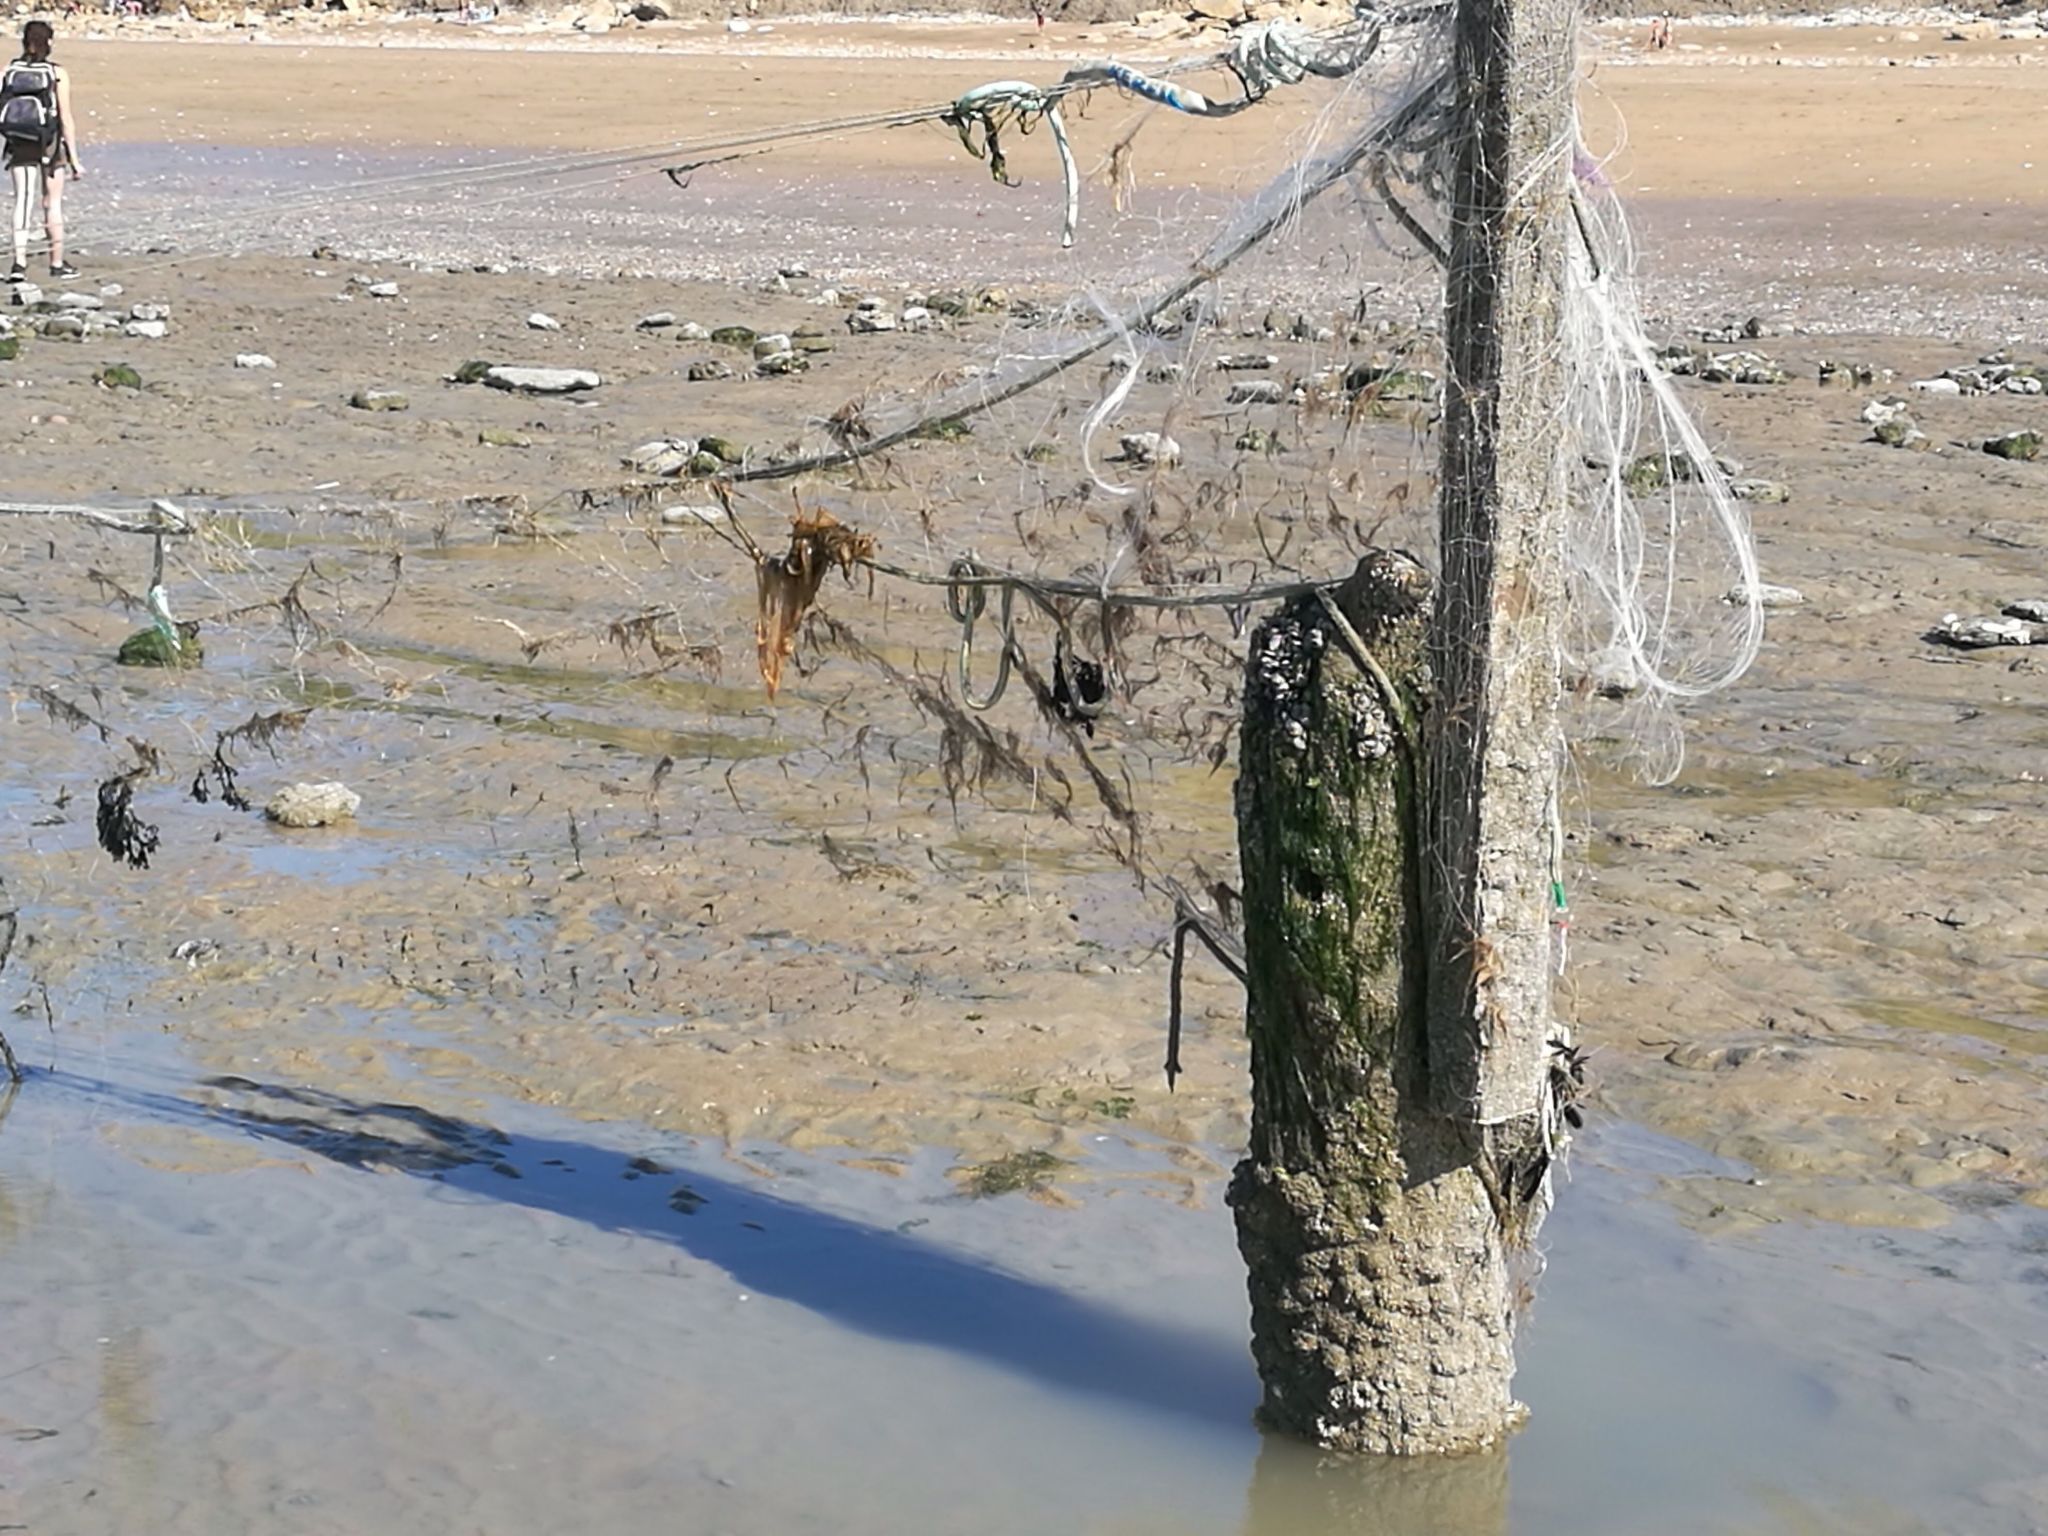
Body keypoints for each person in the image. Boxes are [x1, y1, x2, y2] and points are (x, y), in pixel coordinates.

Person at [1, 21, 82, 284]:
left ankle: (19, 264)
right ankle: (56, 263)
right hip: (49, 142)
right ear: (49, 42)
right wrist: (75, 160)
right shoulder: (57, 73)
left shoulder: (8, 70)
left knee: (22, 201)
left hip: (19, 141)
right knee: (52, 203)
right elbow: (66, 118)